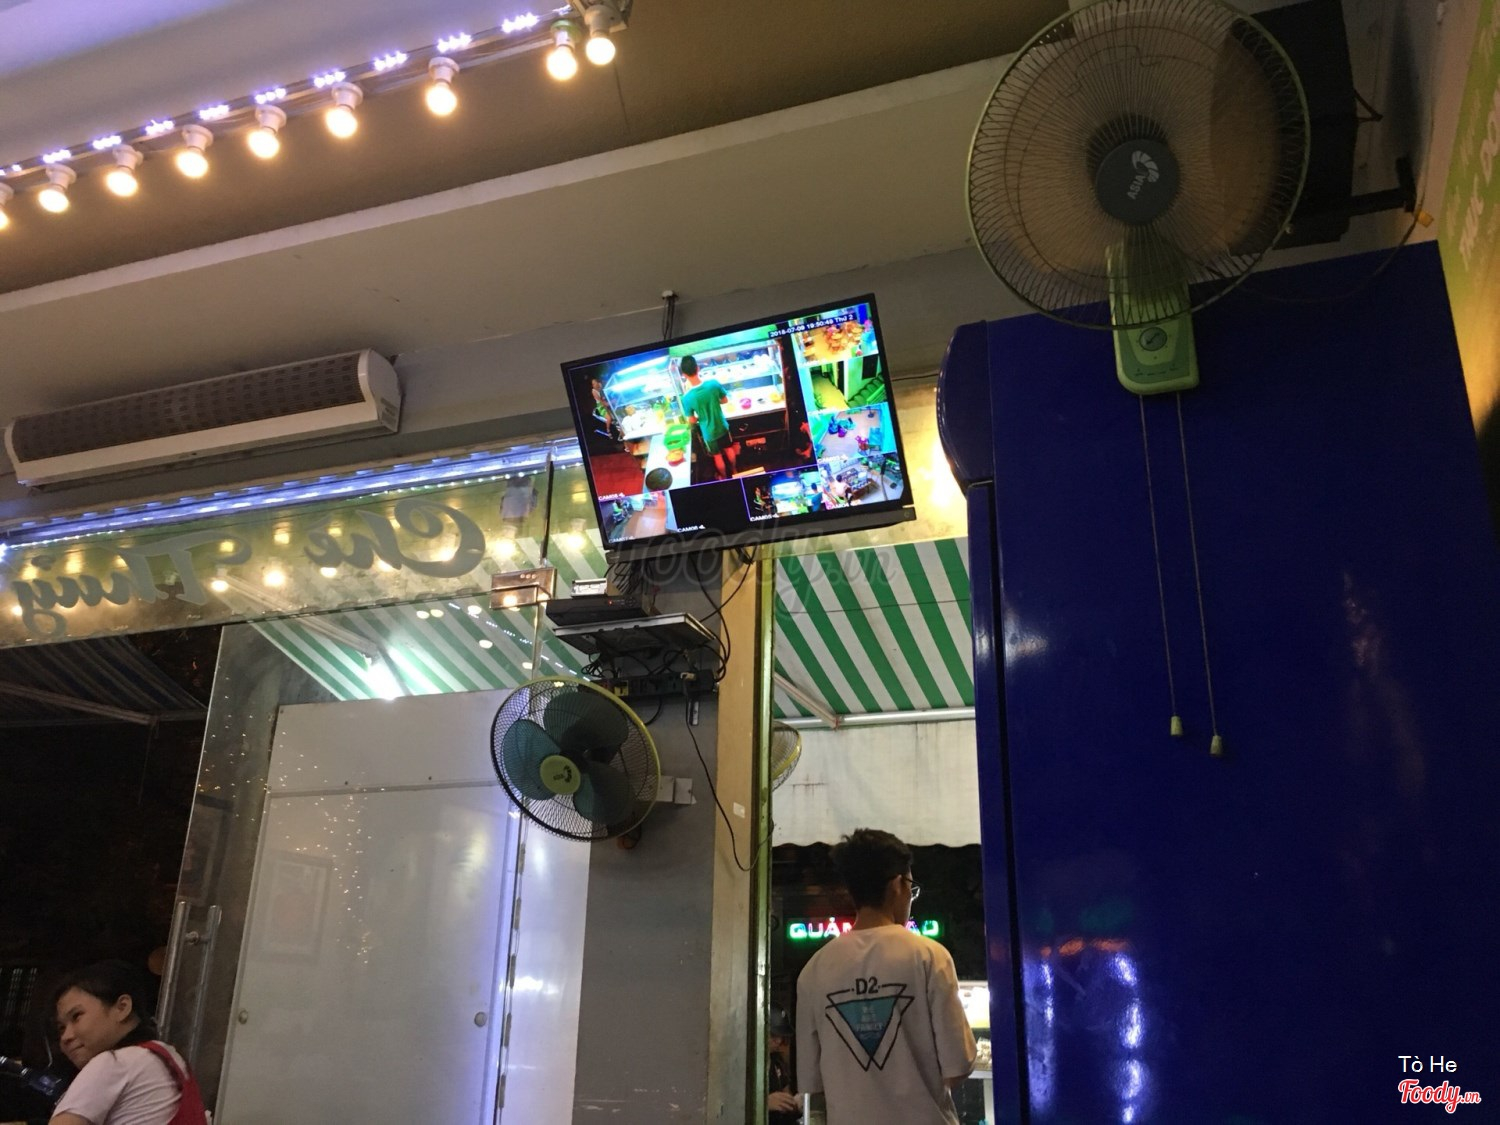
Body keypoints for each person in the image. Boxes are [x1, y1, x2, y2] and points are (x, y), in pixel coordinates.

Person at [795, 829, 975, 1125]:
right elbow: (958, 1066)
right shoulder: (929, 956)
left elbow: (812, 1082)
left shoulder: (813, 971)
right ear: (897, 885)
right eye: (911, 888)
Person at [49, 961, 207, 1125]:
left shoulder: (114, 1063)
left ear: (122, 1007)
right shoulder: (168, 1058)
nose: (65, 1037)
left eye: (76, 1016)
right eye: (61, 1028)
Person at [677, 355, 738, 480]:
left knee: (717, 456)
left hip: (708, 433)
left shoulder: (687, 398)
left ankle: (723, 477)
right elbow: (725, 400)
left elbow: (692, 420)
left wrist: (699, 418)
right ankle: (735, 471)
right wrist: (714, 403)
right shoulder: (713, 384)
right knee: (729, 449)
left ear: (684, 375)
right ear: (698, 368)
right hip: (722, 426)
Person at [767, 1007, 800, 1123]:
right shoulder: (745, 1064)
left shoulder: (777, 1062)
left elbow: (786, 1093)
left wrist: (794, 1103)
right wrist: (765, 1103)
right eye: (773, 1035)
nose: (779, 1041)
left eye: (781, 1036)